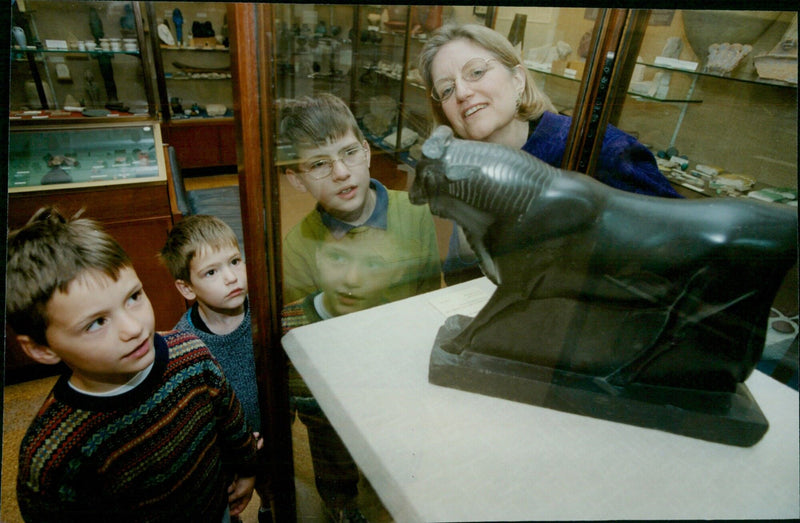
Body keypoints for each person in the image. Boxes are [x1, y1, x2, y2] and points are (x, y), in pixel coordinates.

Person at [6, 207, 259, 523]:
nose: (134, 328)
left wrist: (247, 469)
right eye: (97, 322)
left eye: (133, 297)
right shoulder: (51, 458)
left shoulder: (192, 352)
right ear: (41, 348)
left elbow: (229, 417)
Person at [417, 23, 681, 283]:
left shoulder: (597, 148)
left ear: (517, 80)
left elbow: (682, 243)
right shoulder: (462, 170)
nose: (462, 93)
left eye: (475, 72)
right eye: (447, 90)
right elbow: (459, 278)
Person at [281, 227, 409, 523]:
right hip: (324, 435)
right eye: (337, 257)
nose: (352, 279)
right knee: (334, 473)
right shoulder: (288, 328)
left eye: (374, 264)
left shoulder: (396, 322)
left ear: (398, 272)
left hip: (379, 434)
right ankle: (341, 506)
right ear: (318, 257)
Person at [159, 214, 273, 523]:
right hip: (224, 455)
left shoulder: (268, 311)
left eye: (235, 261)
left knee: (276, 499)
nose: (231, 277)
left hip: (273, 437)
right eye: (211, 271)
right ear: (186, 288)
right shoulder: (183, 346)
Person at [280, 93, 442, 304]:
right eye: (319, 164)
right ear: (298, 180)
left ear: (366, 153)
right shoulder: (296, 247)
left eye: (349, 152)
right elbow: (304, 318)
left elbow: (428, 294)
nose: (341, 173)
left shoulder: (416, 211)